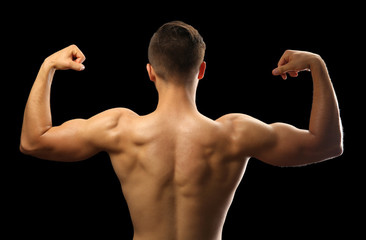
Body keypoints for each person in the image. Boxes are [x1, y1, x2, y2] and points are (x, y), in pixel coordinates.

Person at [20, 21, 343, 240]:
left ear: (150, 72)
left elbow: (34, 142)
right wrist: (317, 65)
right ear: (202, 70)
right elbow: (326, 144)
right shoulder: (234, 133)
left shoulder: (120, 128)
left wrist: (48, 65)